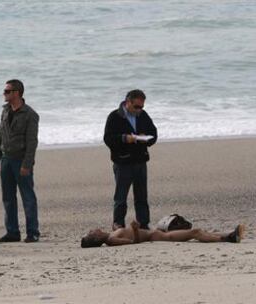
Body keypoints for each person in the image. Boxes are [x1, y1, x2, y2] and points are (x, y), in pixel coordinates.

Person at [0, 79, 40, 243]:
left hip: (20, 160)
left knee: (27, 197)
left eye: (7, 91)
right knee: (8, 197)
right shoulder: (5, 111)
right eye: (4, 91)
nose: (4, 94)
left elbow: (32, 142)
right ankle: (12, 232)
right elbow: (0, 136)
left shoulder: (30, 114)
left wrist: (27, 164)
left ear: (17, 93)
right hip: (6, 159)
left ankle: (32, 232)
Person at [103, 89, 157, 231]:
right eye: (136, 106)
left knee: (142, 197)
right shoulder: (115, 117)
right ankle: (118, 225)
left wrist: (145, 138)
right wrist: (124, 138)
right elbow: (108, 138)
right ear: (128, 102)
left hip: (140, 161)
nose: (139, 110)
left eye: (141, 107)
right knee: (121, 197)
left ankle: (143, 225)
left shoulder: (143, 115)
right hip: (123, 162)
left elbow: (154, 134)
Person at [81, 220, 245, 248]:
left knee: (199, 231)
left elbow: (125, 233)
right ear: (95, 238)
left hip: (154, 233)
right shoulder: (112, 239)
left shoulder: (111, 234)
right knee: (195, 232)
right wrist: (136, 229)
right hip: (157, 236)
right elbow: (133, 242)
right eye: (91, 233)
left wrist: (117, 226)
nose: (92, 229)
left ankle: (229, 235)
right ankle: (228, 238)